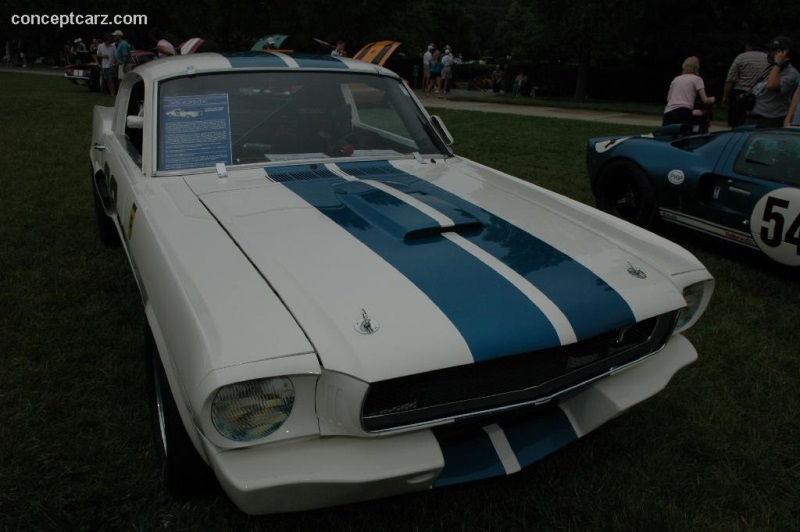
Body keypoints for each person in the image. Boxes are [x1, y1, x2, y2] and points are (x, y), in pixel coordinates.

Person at [745, 36, 800, 128]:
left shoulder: (791, 73)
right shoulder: (771, 68)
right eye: (768, 50)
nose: (768, 53)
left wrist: (777, 63)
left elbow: (771, 86)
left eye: (773, 50)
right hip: (752, 117)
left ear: (784, 52)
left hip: (769, 120)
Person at [722, 39, 768, 127]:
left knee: (737, 123)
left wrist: (725, 95)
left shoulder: (741, 57)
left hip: (741, 94)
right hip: (760, 95)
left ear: (748, 46)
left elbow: (730, 78)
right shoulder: (767, 58)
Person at [662, 56, 715, 126]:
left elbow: (668, 99)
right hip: (684, 111)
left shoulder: (676, 79)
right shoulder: (697, 79)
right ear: (697, 67)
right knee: (684, 135)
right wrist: (712, 99)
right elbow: (705, 100)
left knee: (666, 134)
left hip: (668, 112)